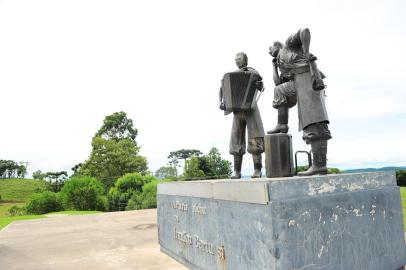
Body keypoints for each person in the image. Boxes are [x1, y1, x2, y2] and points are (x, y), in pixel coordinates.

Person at [268, 28, 332, 176]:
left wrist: (306, 52)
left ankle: (319, 165)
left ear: (277, 46)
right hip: (296, 82)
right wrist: (273, 66)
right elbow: (277, 83)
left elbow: (305, 31)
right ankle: (282, 124)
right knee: (279, 91)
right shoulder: (279, 63)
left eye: (270, 47)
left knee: (313, 119)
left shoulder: (288, 45)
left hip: (308, 78)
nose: (268, 50)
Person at [219, 52, 265, 179]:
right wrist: (222, 102)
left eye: (239, 59)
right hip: (237, 112)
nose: (237, 61)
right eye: (235, 59)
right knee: (236, 140)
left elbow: (261, 86)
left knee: (255, 138)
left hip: (251, 110)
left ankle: (257, 170)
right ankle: (237, 171)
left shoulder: (253, 72)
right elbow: (222, 89)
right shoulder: (229, 76)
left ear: (245, 59)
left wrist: (259, 85)